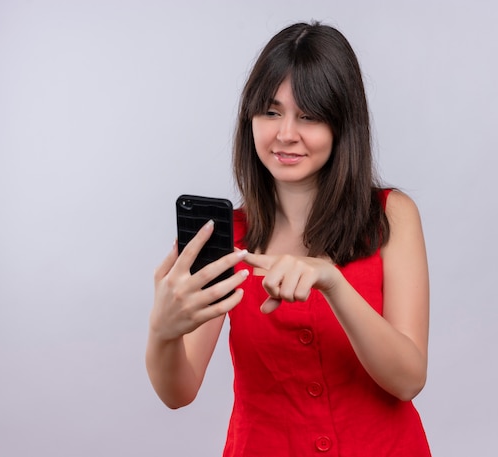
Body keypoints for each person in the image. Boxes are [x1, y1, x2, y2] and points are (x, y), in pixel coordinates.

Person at [146, 22, 431, 456]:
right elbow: (178, 392)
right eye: (271, 112)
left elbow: (408, 379)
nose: (285, 134)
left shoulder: (391, 216)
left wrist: (333, 283)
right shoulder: (227, 237)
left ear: (342, 124)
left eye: (310, 116)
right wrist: (162, 331)